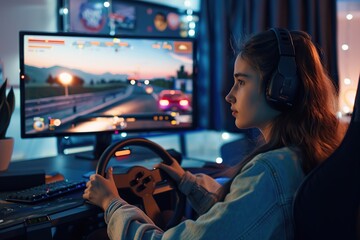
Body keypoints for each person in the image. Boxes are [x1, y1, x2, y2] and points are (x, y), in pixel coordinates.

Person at [83, 28, 345, 239]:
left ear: (280, 89)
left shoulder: (270, 170)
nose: (230, 95)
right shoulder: (312, 150)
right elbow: (240, 216)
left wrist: (111, 203)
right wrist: (186, 181)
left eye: (241, 82)